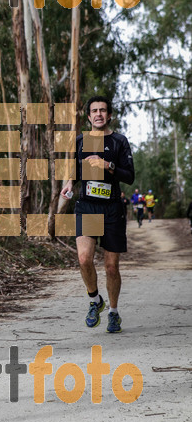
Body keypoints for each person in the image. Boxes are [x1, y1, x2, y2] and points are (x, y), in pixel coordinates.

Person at [61, 95, 134, 334]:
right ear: (89, 115)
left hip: (112, 208)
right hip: (87, 206)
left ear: (109, 115)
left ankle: (113, 312)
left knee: (111, 267)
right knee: (84, 259)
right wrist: (69, 184)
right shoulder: (80, 141)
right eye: (94, 110)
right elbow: (71, 170)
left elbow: (129, 176)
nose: (99, 114)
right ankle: (95, 300)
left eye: (103, 110)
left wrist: (107, 165)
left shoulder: (119, 142)